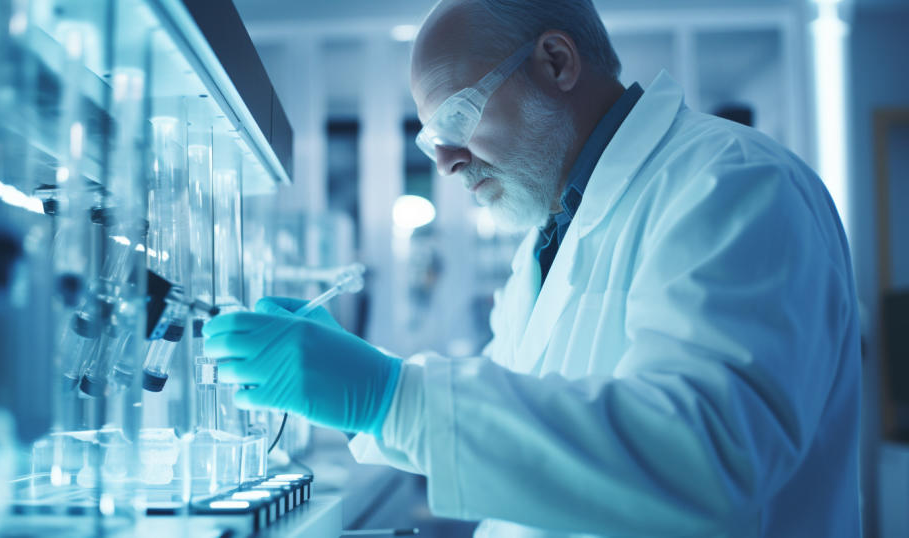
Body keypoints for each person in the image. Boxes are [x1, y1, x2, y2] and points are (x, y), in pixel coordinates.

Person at [202, 0, 862, 535]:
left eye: (458, 116)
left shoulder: (733, 183)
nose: (448, 162)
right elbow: (526, 439)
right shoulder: (547, 242)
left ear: (555, 61)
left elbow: (709, 458)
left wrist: (387, 397)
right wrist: (355, 394)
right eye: (433, 139)